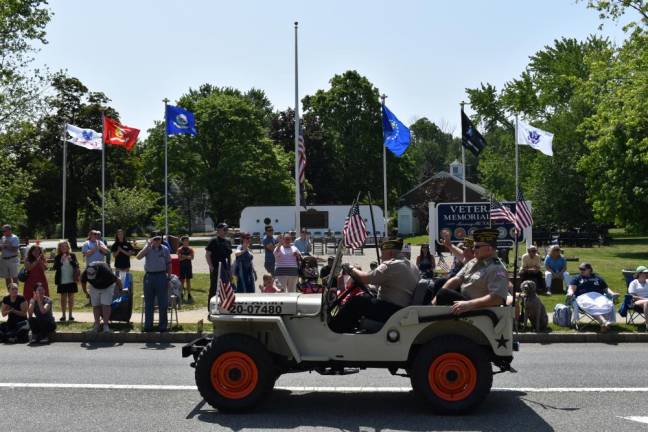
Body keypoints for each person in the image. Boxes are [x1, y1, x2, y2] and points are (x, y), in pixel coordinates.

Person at [328, 239, 420, 333]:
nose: (381, 259)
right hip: (401, 310)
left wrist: (351, 268)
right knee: (364, 297)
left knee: (355, 302)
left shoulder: (392, 265)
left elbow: (365, 278)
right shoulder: (412, 265)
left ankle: (333, 331)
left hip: (392, 311)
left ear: (391, 254)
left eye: (382, 256)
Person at [432, 228, 509, 315]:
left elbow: (498, 298)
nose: (473, 249)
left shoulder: (497, 268)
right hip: (466, 303)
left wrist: (469, 304)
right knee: (440, 283)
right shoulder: (474, 262)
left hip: (479, 310)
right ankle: (428, 310)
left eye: (477, 247)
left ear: (489, 249)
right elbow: (456, 280)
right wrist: (432, 304)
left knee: (444, 294)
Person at [567, 262, 618, 332]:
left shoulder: (597, 277)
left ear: (589, 270)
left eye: (583, 269)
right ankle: (603, 321)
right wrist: (570, 293)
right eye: (580, 269)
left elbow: (606, 289)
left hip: (598, 296)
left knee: (605, 303)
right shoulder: (577, 278)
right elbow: (571, 288)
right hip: (583, 296)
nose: (581, 270)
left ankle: (603, 324)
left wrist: (612, 293)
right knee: (590, 304)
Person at [137, 235, 171, 332]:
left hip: (161, 276)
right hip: (149, 276)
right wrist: (147, 247)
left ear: (161, 240)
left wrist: (168, 278)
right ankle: (148, 326)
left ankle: (163, 326)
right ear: (152, 239)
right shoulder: (147, 248)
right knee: (149, 302)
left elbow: (169, 264)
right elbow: (138, 257)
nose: (156, 241)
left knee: (162, 303)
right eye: (154, 239)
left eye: (158, 239)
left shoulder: (165, 249)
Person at [81, 261, 122, 333]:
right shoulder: (86, 272)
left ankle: (106, 326)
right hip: (94, 287)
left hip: (108, 286)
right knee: (95, 305)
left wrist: (121, 290)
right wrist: (86, 292)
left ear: (97, 271)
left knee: (105, 304)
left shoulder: (105, 271)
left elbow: (118, 280)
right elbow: (83, 282)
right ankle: (97, 325)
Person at [206, 223, 232, 309]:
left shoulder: (228, 241)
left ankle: (223, 307)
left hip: (225, 267)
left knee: (225, 288)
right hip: (216, 267)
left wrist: (230, 269)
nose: (226, 231)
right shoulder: (213, 241)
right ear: (219, 230)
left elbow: (229, 256)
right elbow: (208, 254)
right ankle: (211, 308)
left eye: (227, 229)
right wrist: (211, 266)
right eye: (224, 229)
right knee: (214, 288)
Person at [52, 240, 80, 322]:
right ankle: (63, 315)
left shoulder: (72, 255)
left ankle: (70, 315)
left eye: (65, 246)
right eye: (62, 246)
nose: (64, 248)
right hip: (62, 280)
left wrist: (71, 261)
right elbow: (54, 268)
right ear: (59, 248)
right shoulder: (58, 257)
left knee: (71, 297)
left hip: (71, 279)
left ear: (68, 247)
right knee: (63, 298)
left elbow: (77, 265)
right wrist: (61, 261)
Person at [1, 224, 20, 288]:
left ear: (9, 230)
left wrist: (7, 246)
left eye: (4, 231)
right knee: (7, 278)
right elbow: (1, 248)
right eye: (2, 231)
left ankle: (16, 293)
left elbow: (15, 250)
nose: (3, 232)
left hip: (12, 259)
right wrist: (2, 246)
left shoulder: (15, 238)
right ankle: (10, 293)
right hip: (4, 260)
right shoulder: (3, 237)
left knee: (14, 277)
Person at [628, 266, 648, 330]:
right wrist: (644, 299)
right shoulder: (634, 283)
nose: (646, 274)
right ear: (639, 273)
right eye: (644, 273)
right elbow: (632, 296)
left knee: (646, 303)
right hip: (636, 301)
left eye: (647, 273)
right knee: (646, 302)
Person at [177, 236, 195, 303]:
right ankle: (181, 293)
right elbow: (179, 259)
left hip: (188, 266)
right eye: (185, 241)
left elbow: (192, 258)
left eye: (187, 241)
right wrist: (187, 257)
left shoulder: (190, 249)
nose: (186, 242)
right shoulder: (179, 249)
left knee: (188, 280)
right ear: (182, 242)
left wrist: (184, 256)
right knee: (182, 280)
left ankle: (189, 294)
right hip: (182, 266)